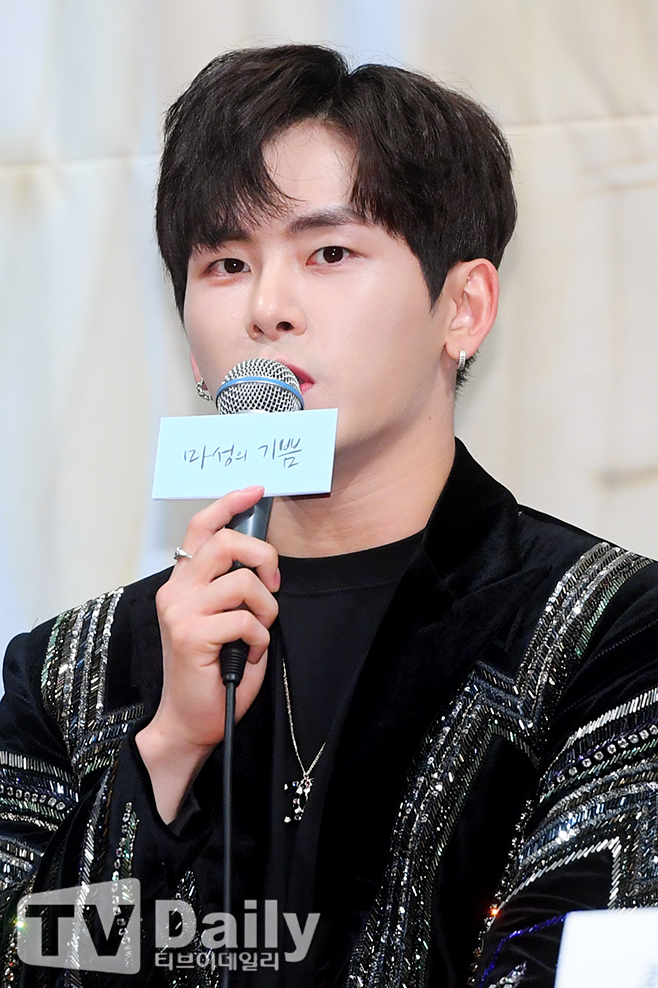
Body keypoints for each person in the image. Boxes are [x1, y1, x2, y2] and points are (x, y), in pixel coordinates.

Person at [2, 43, 658, 988]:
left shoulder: (606, 631)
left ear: (463, 307)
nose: (268, 308)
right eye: (227, 263)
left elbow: (586, 956)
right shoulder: (75, 669)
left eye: (330, 253)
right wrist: (168, 748)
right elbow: (26, 957)